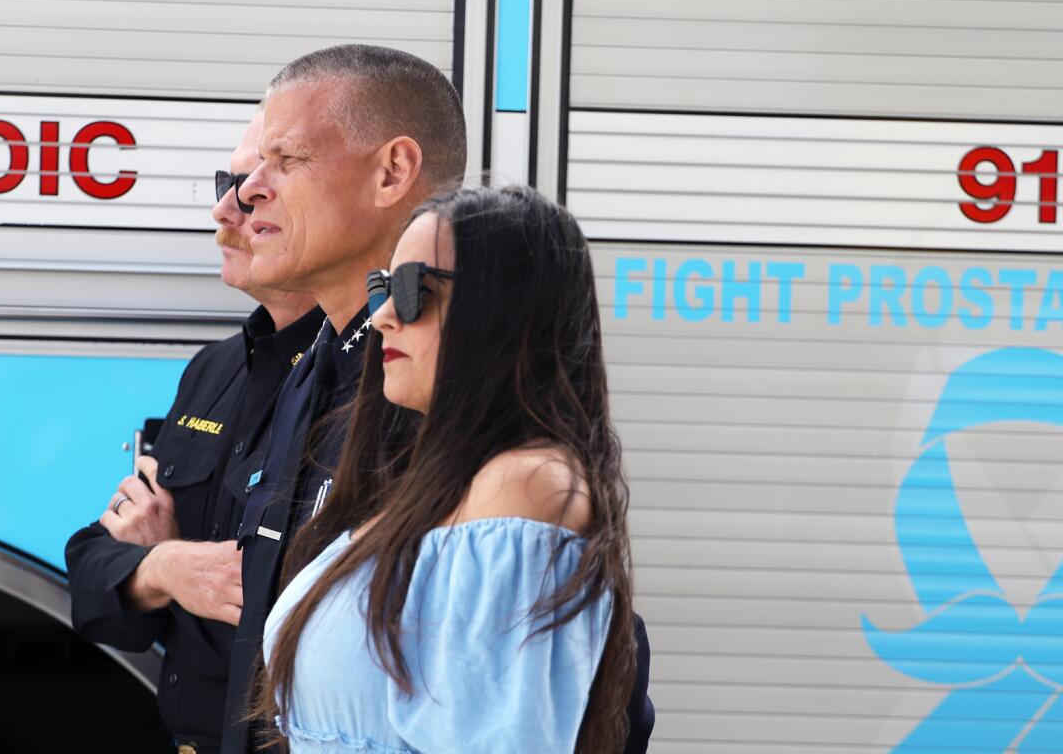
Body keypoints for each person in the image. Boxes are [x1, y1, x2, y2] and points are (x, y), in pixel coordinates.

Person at [222, 45, 653, 753]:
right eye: (381, 290)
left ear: (504, 313)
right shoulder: (429, 481)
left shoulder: (522, 485)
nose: (386, 315)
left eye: (414, 291)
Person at [64, 111, 324, 754]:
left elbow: (280, 613)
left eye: (259, 190)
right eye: (226, 184)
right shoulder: (215, 369)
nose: (225, 213)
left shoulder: (376, 377)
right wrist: (171, 568)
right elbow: (91, 574)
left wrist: (167, 572)